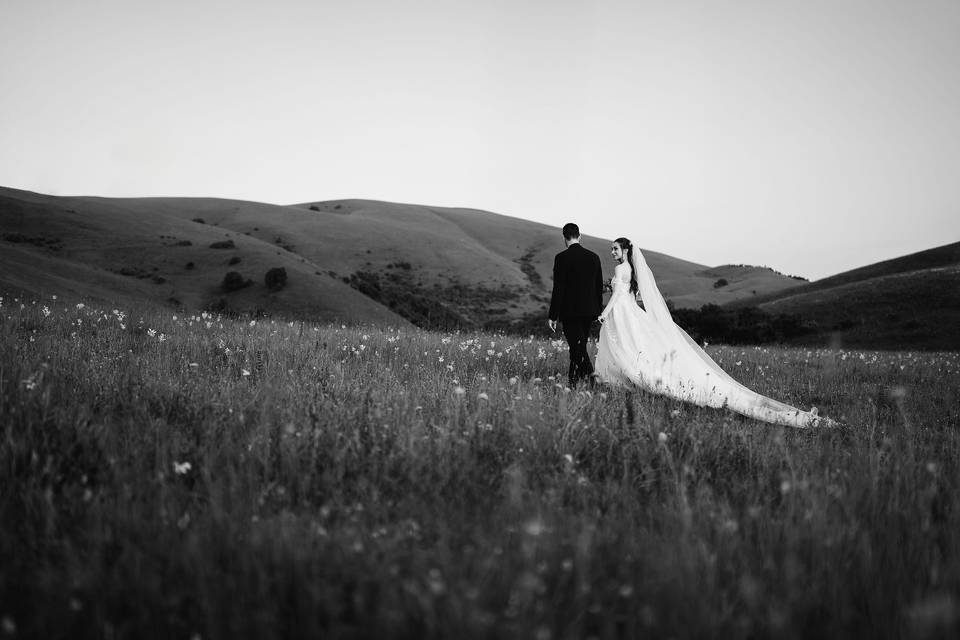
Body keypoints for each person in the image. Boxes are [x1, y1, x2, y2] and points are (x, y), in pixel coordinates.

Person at [595, 236, 836, 428]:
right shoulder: (630, 270)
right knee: (632, 346)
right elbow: (631, 295)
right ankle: (630, 380)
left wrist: (604, 314)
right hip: (630, 313)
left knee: (626, 346)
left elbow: (618, 295)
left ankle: (629, 381)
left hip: (621, 313)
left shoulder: (619, 271)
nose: (612, 252)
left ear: (625, 250)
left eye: (615, 249)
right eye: (612, 249)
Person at [548, 223, 604, 388]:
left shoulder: (561, 258)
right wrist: (597, 311)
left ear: (564, 238)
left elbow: (558, 288)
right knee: (578, 346)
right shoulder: (594, 257)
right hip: (589, 310)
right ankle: (573, 382)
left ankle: (593, 381)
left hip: (570, 311)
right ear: (580, 236)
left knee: (576, 347)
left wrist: (553, 315)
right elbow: (598, 287)